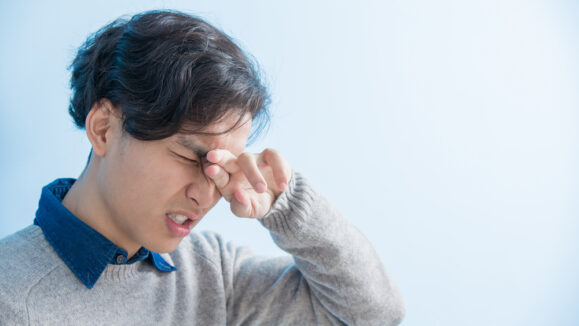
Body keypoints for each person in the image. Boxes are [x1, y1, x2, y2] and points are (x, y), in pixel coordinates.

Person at [0, 10, 404, 325]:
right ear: (104, 129)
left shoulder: (211, 271)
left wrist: (288, 205)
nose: (208, 194)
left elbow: (373, 314)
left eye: (222, 167)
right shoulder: (10, 296)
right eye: (191, 157)